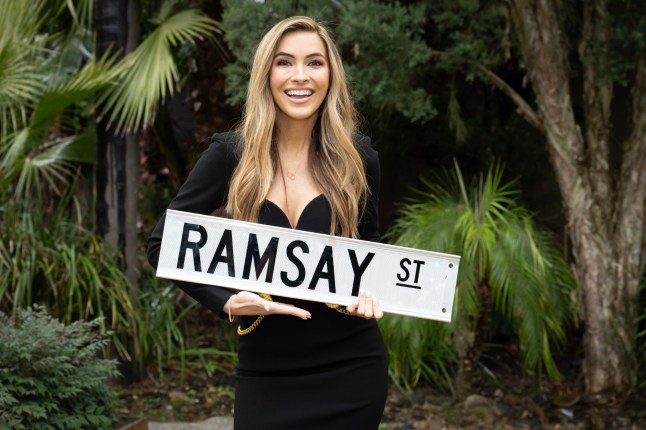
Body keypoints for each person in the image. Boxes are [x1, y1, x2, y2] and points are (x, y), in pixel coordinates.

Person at [147, 16, 388, 429]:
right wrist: (223, 300)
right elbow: (161, 244)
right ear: (266, 75)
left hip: (353, 370)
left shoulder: (358, 158)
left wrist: (370, 294)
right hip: (265, 374)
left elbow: (370, 244)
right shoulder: (230, 155)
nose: (300, 76)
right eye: (284, 62)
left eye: (315, 62)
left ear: (331, 75)